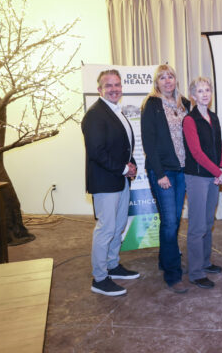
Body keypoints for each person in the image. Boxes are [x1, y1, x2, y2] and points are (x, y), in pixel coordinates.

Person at [82, 69, 140, 296]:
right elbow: (96, 151)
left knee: (118, 226)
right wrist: (124, 168)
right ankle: (100, 277)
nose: (114, 89)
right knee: (105, 229)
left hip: (120, 179)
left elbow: (124, 145)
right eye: (109, 85)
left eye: (117, 85)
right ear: (99, 89)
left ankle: (113, 265)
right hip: (105, 181)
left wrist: (131, 164)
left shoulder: (116, 111)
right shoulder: (95, 114)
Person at [141, 64, 190, 294]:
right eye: (162, 78)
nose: (167, 81)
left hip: (182, 170)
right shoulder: (151, 105)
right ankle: (173, 274)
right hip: (163, 172)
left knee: (172, 220)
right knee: (170, 222)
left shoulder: (185, 104)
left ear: (175, 79)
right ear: (156, 82)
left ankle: (164, 261)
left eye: (170, 76)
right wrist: (159, 174)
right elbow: (148, 142)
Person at [183, 76, 222, 289]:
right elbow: (196, 152)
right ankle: (196, 272)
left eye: (207, 90)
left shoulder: (214, 117)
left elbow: (218, 147)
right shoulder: (189, 120)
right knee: (197, 226)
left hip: (213, 176)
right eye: (200, 91)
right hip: (197, 177)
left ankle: (206, 262)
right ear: (193, 96)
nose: (205, 94)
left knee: (208, 223)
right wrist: (217, 171)